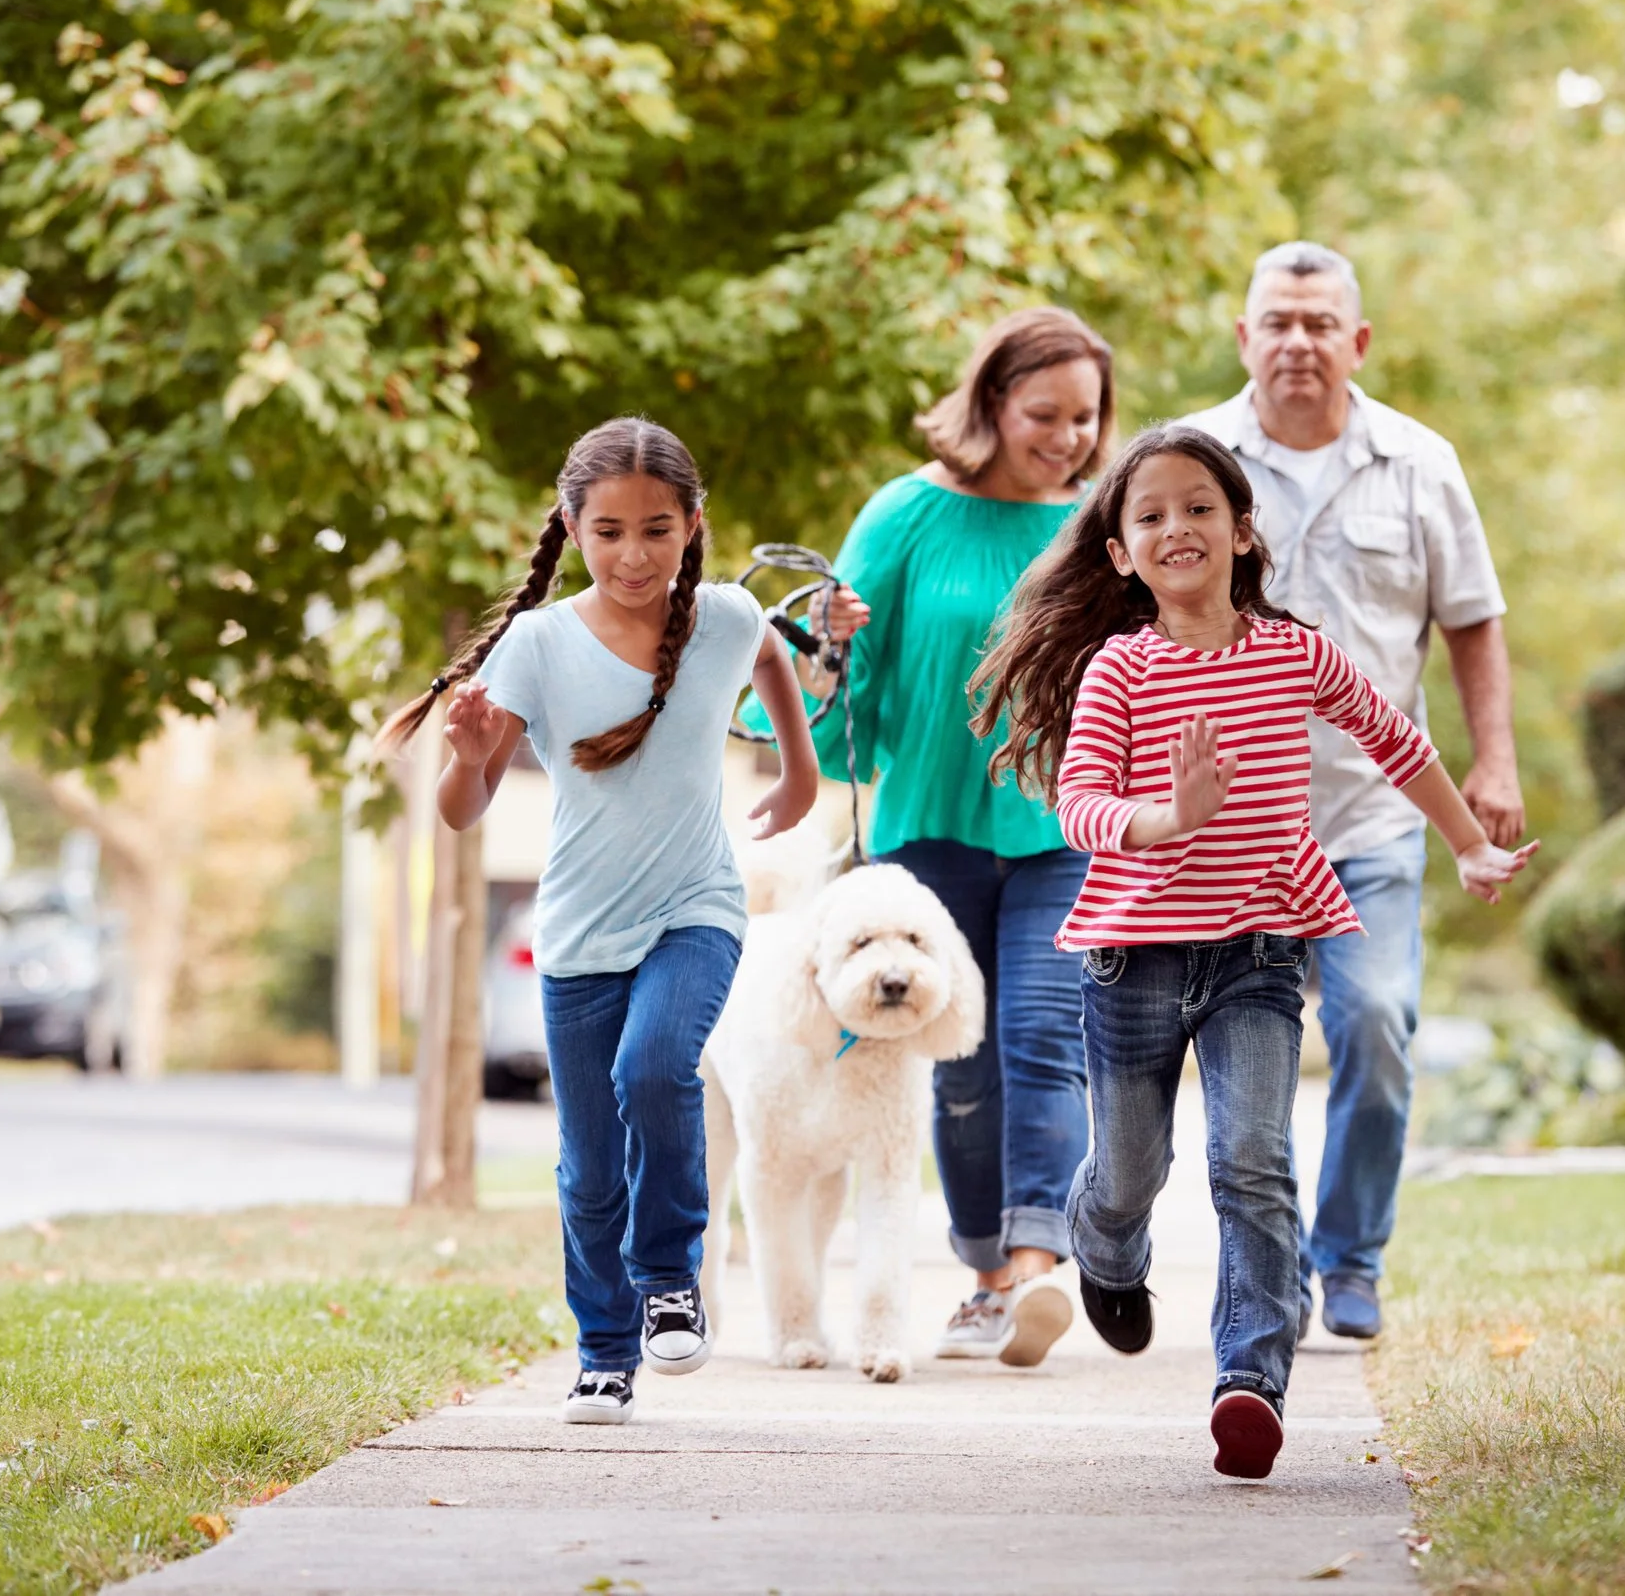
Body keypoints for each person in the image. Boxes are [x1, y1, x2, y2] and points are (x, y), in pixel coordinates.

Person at [969, 424, 1534, 1478]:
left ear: (1239, 529)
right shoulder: (1118, 668)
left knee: (1252, 1159)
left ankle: (1249, 1379)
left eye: (1197, 506)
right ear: (1121, 555)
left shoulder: (1293, 651)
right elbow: (1081, 802)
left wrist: (1465, 844)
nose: (1176, 526)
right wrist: (1165, 816)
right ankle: (1107, 1251)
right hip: (1133, 956)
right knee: (1129, 1169)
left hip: (1258, 952)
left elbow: (1395, 737)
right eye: (1149, 515)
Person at [378, 417, 823, 1427]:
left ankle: (671, 1280)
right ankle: (604, 1350)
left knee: (653, 1068)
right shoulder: (537, 644)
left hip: (695, 908)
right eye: (610, 530)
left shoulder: (723, 616)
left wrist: (798, 770)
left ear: (692, 524)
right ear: (571, 525)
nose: (634, 553)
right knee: (585, 1164)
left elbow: (770, 661)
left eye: (657, 529)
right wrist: (469, 753)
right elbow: (462, 808)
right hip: (578, 930)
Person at [1175, 242, 1523, 1343]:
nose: (1296, 341)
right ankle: (1264, 1279)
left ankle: (1353, 1254)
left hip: (1375, 812)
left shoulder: (1421, 463)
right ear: (1243, 337)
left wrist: (1493, 759)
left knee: (1377, 1023)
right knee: (1244, 1074)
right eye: (1276, 320)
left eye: (1319, 323)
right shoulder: (1192, 463)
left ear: (1356, 341)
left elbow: (1470, 616)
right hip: (1230, 829)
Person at [793, 307, 1116, 1367]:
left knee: (1039, 1035)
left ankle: (1034, 1268)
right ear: (989, 403)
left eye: (1085, 416)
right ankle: (982, 1271)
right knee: (962, 1062)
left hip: (1060, 824)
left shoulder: (1095, 529)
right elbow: (839, 687)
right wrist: (827, 647)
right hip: (928, 824)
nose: (1068, 436)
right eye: (1044, 412)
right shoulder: (904, 514)